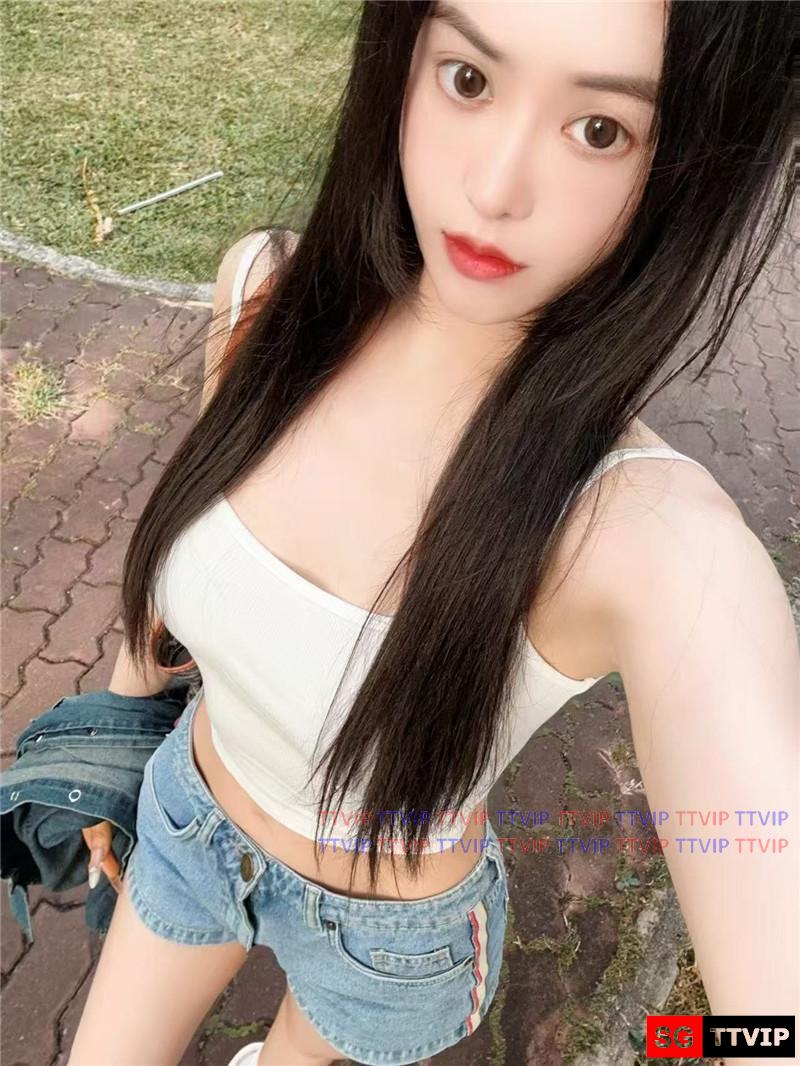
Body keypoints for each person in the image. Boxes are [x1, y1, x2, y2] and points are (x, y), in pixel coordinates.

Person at [67, 2, 798, 1064]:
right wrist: (116, 724)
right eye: (467, 79)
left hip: (385, 941)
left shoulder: (649, 538)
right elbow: (173, 582)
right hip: (187, 820)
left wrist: (677, 1042)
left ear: (691, 166)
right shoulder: (265, 296)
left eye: (600, 130)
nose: (493, 188)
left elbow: (773, 1019)